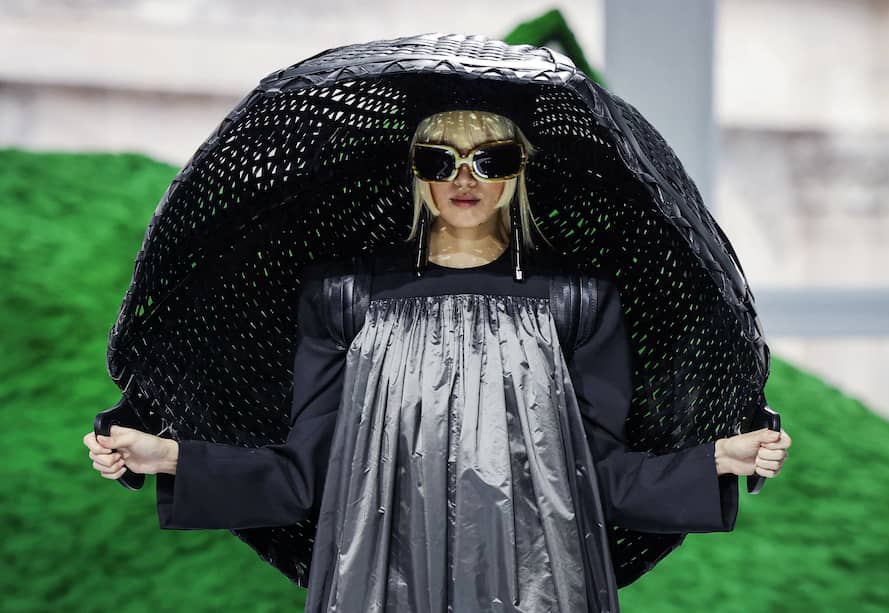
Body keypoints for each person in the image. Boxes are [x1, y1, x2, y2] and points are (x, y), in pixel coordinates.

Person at [84, 109, 791, 613]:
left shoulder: (577, 301)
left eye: (491, 157)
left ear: (519, 171)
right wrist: (170, 456)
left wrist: (715, 458)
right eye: (439, 158)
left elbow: (597, 476)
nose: (465, 176)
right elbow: (304, 479)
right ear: (416, 174)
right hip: (378, 585)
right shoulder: (344, 298)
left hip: (544, 587)